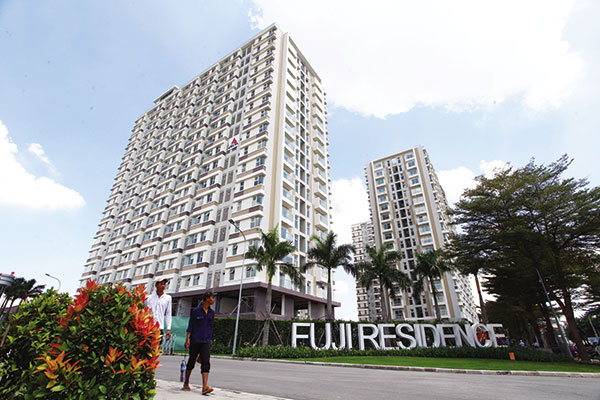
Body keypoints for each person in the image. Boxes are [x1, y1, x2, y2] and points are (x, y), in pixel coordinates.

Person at [183, 292, 215, 395]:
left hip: (206, 341)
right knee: (191, 361)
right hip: (195, 340)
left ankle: (204, 387)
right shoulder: (196, 311)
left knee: (206, 363)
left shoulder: (211, 313)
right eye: (212, 298)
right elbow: (190, 326)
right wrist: (187, 339)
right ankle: (186, 382)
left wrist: (209, 340)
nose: (213, 300)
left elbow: (210, 327)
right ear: (207, 299)